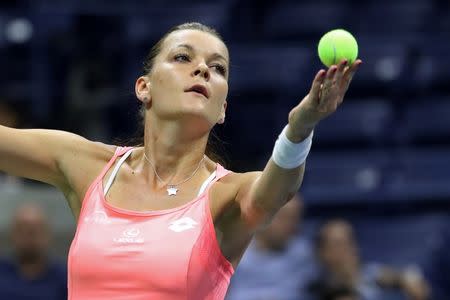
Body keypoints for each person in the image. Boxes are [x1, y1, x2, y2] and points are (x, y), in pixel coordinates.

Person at [0, 22, 361, 299]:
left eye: (218, 68)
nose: (203, 70)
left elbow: (277, 189)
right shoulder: (88, 166)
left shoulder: (226, 195)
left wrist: (299, 128)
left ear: (222, 108)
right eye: (183, 58)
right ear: (145, 87)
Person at [308, 219, 430, 300]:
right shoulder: (315, 284)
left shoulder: (369, 273)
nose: (347, 249)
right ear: (323, 252)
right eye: (338, 244)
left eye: (350, 242)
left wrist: (408, 279)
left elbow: (399, 277)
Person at [226, 194, 316, 300]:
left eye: (294, 218)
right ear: (264, 216)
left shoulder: (304, 253)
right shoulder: (235, 252)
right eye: (284, 217)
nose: (290, 225)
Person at [0, 203, 67, 299]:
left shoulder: (65, 279)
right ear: (12, 234)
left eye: (34, 231)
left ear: (47, 235)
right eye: (22, 231)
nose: (28, 237)